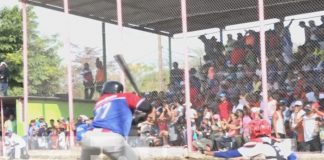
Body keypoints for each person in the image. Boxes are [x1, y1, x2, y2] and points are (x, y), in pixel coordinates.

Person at [80, 81, 152, 160]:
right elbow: (147, 107)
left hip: (89, 137)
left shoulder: (99, 103)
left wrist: (137, 118)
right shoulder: (124, 96)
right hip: (111, 138)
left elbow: (119, 120)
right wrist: (143, 101)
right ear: (120, 91)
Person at [204, 119, 296, 160]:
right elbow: (292, 156)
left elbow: (230, 154)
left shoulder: (256, 145)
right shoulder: (278, 141)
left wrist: (210, 153)